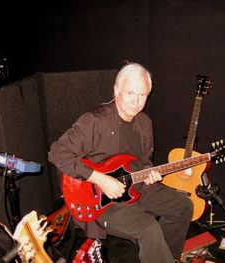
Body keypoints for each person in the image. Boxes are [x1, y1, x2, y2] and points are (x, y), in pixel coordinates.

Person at [48, 62, 193, 262]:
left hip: (137, 187)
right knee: (149, 229)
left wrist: (149, 171)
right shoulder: (95, 121)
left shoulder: (145, 123)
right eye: (130, 93)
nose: (136, 101)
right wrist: (101, 179)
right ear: (117, 90)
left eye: (142, 95)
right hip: (102, 200)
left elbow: (144, 160)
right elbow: (57, 153)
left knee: (183, 206)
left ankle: (166, 257)